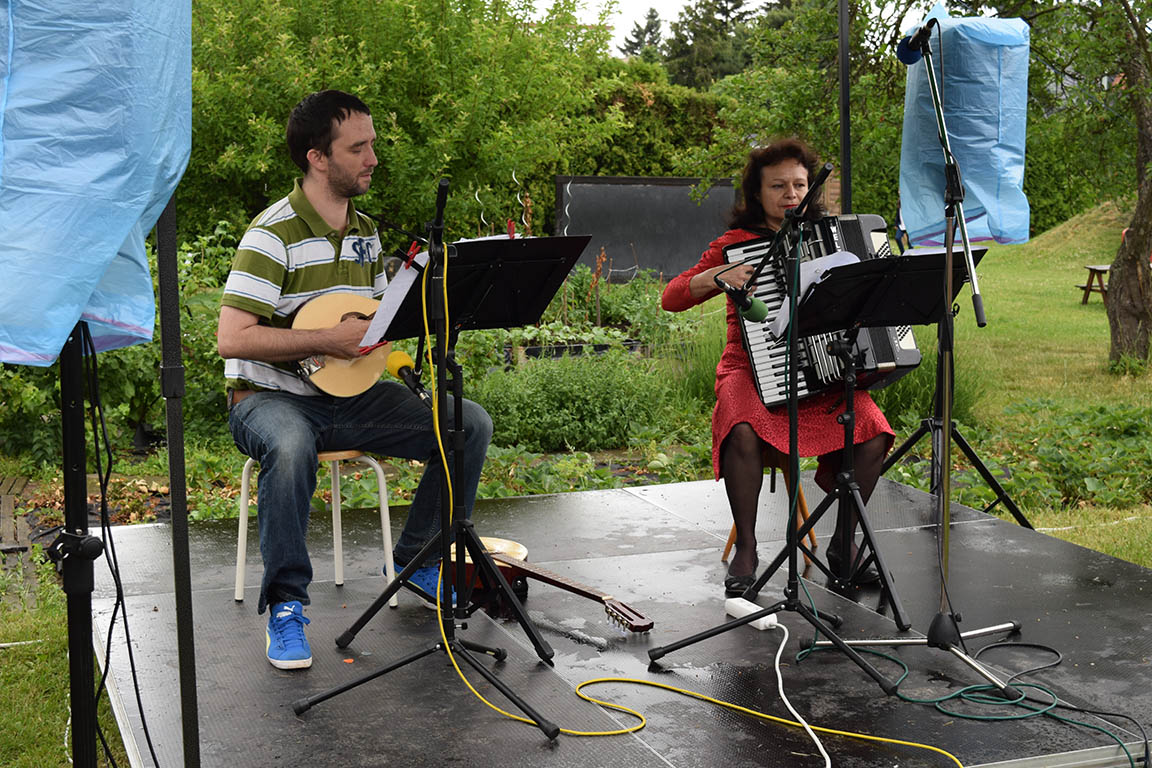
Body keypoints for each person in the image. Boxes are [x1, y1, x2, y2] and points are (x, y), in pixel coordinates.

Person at [217, 90, 493, 670]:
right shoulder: (272, 234)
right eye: (358, 148)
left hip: (351, 396)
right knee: (290, 446)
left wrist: (400, 326)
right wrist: (326, 339)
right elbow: (233, 339)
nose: (373, 158)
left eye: (372, 145)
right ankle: (287, 606)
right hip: (270, 400)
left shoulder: (367, 232)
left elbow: (372, 324)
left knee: (466, 422)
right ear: (318, 157)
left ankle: (417, 562)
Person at [661, 139, 893, 596]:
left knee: (872, 429)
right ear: (757, 192)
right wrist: (715, 277)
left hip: (821, 371)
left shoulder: (828, 238)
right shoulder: (734, 245)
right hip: (748, 369)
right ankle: (747, 548)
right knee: (741, 425)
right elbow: (672, 297)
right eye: (778, 186)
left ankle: (843, 544)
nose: (791, 194)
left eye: (800, 185)